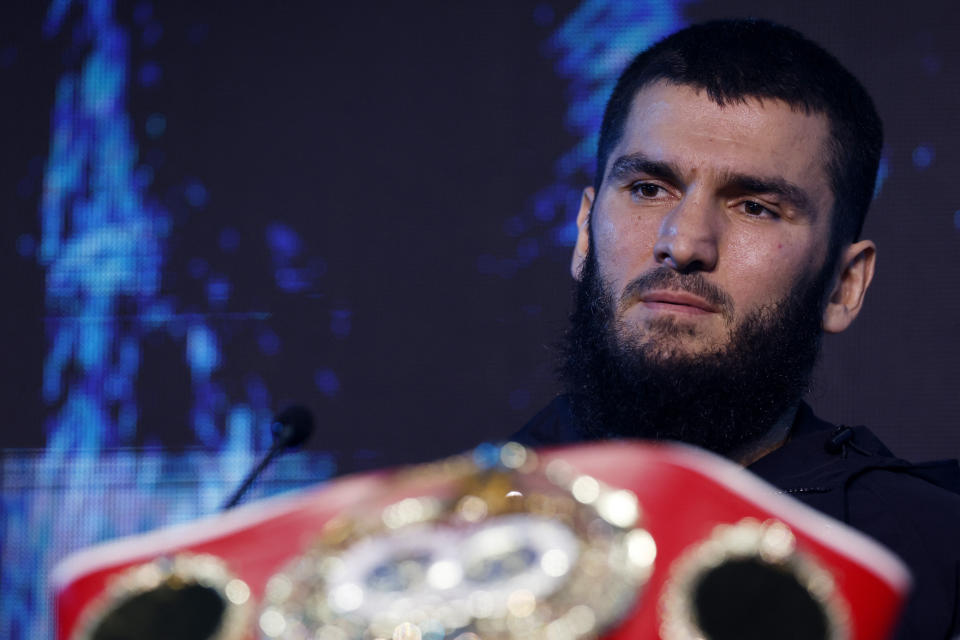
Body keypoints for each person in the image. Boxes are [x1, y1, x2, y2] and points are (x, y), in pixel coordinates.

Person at [511, 19, 960, 638]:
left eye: (755, 206)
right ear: (585, 236)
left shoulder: (933, 559)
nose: (684, 242)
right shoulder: (436, 536)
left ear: (843, 284)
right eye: (647, 188)